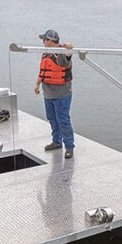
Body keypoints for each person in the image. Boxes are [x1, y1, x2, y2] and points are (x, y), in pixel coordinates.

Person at [34, 29, 75, 159]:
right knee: (52, 119)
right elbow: (42, 71)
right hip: (48, 94)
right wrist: (37, 84)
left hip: (62, 95)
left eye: (44, 40)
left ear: (50, 41)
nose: (43, 42)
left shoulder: (61, 53)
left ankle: (69, 146)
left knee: (63, 120)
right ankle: (56, 142)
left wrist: (69, 47)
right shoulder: (45, 54)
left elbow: (69, 52)